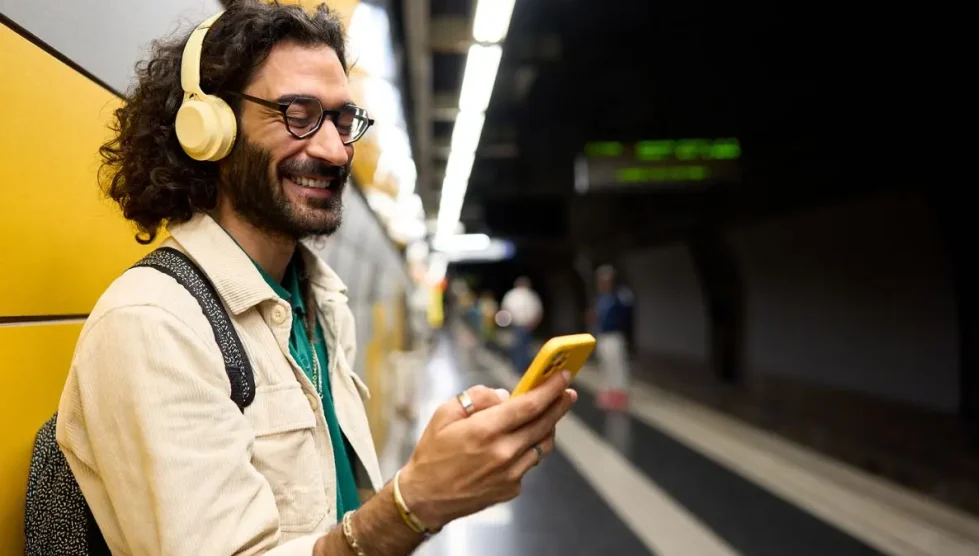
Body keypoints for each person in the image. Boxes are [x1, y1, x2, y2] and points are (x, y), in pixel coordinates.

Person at [55, 4, 576, 555]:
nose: (333, 150)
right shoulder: (155, 325)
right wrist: (415, 501)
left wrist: (440, 470)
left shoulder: (318, 301)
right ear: (209, 128)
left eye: (342, 120)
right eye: (297, 114)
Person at [592, 265, 633, 411]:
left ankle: (619, 395)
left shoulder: (620, 295)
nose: (602, 283)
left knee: (617, 365)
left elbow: (626, 315)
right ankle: (608, 393)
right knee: (605, 365)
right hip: (602, 335)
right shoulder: (601, 298)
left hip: (615, 335)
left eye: (605, 280)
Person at [500, 276, 543, 372]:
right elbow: (506, 310)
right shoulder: (514, 295)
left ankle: (521, 367)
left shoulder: (530, 295)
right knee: (519, 346)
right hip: (518, 325)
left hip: (525, 325)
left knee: (524, 347)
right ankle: (518, 366)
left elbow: (537, 311)